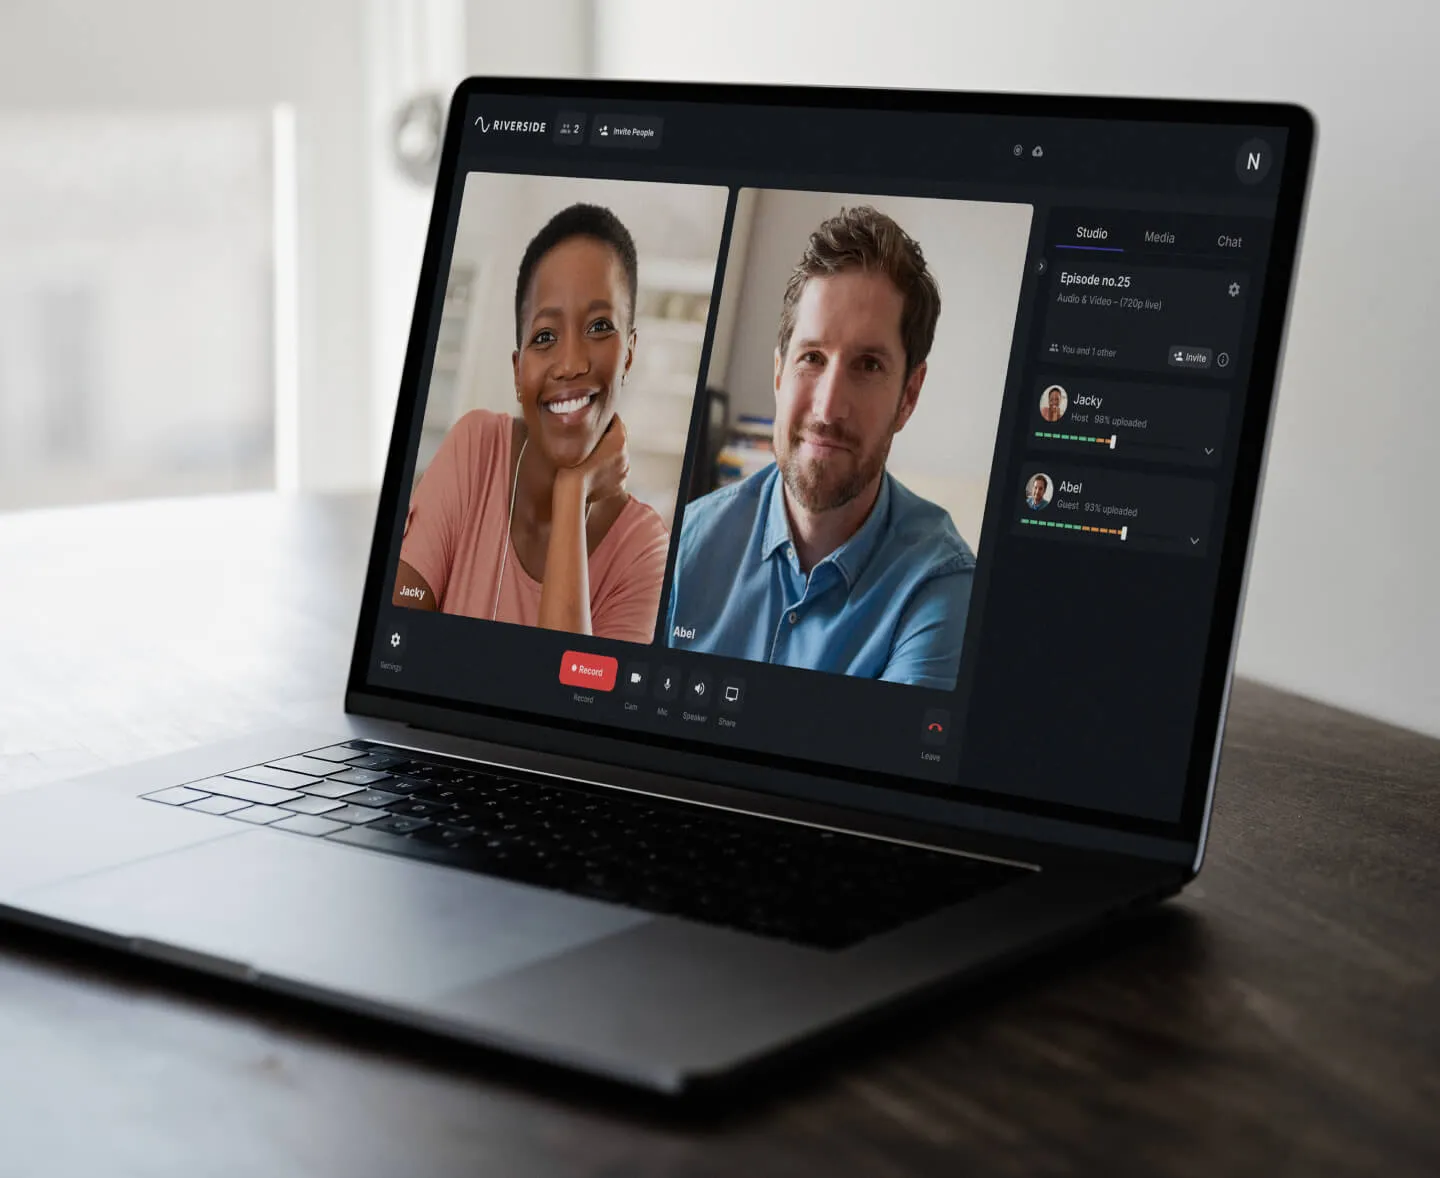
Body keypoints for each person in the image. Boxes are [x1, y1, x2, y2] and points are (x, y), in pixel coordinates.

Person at [666, 205, 974, 691]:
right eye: (811, 357)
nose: (829, 409)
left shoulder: (938, 590)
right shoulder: (684, 548)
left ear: (908, 396)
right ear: (778, 373)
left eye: (868, 365)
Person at [393, 203, 669, 643]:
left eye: (599, 326)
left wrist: (572, 491)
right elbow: (395, 645)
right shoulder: (475, 448)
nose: (571, 363)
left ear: (629, 354)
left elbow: (570, 700)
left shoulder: (644, 552)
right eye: (545, 337)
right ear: (519, 371)